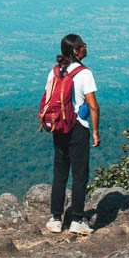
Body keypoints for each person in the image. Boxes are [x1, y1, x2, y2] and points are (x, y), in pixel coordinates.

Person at [45, 33, 100, 235]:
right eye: (83, 45)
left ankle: (55, 218)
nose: (86, 48)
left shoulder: (55, 72)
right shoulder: (85, 73)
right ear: (76, 50)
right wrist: (95, 132)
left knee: (60, 173)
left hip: (59, 126)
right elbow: (93, 106)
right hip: (78, 127)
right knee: (79, 175)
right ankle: (77, 219)